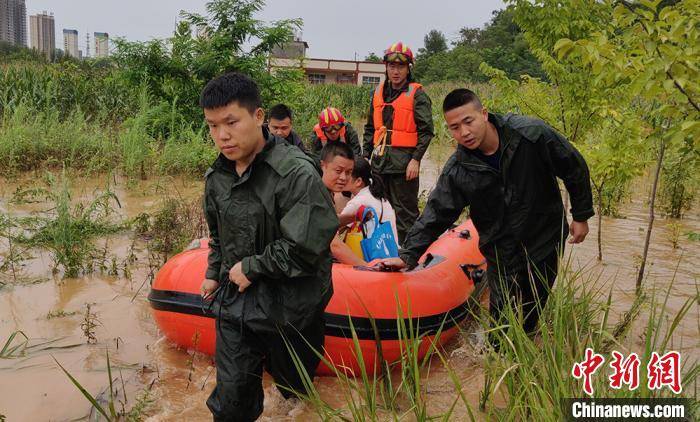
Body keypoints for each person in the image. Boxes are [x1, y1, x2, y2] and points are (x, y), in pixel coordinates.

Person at [379, 88, 594, 344]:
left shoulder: (530, 135)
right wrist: (407, 255)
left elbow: (574, 166)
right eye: (455, 127)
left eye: (468, 121)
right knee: (502, 321)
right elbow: (436, 213)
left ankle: (525, 349)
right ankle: (496, 362)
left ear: (483, 113)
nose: (464, 132)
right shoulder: (459, 168)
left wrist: (580, 216)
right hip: (499, 244)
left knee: (533, 305)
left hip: (543, 235)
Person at [198, 72, 338, 422]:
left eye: (231, 122)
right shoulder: (217, 178)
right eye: (213, 126)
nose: (222, 135)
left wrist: (252, 267)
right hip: (237, 305)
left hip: (292, 308)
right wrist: (214, 273)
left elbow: (308, 247)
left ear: (258, 117)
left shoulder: (296, 174)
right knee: (231, 406)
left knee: (295, 394)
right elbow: (219, 235)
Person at [362, 41, 434, 245]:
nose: (395, 71)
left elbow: (426, 131)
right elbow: (370, 129)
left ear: (408, 68)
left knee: (406, 214)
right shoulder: (377, 94)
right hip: (379, 164)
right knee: (379, 209)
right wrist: (366, 156)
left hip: (404, 165)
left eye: (400, 67)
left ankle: (409, 254)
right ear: (386, 67)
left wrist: (416, 160)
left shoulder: (417, 95)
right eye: (391, 66)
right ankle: (381, 250)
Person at [318, 141, 368, 267]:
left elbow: (329, 221)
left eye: (348, 172)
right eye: (338, 171)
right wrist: (369, 268)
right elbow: (334, 245)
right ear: (322, 166)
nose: (343, 178)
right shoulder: (316, 195)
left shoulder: (326, 191)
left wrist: (355, 217)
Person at [339, 157, 399, 244]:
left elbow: (335, 226)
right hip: (390, 250)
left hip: (375, 254)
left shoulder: (359, 201)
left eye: (347, 173)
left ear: (359, 181)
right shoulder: (375, 193)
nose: (342, 177)